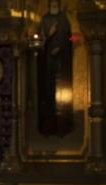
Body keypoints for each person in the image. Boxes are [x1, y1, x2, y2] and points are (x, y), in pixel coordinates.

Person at [37, 0, 73, 137]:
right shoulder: (44, 19)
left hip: (61, 62)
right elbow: (40, 41)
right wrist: (49, 35)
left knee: (62, 91)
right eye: (51, 1)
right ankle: (48, 128)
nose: (54, 3)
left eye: (55, 1)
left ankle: (62, 128)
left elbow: (69, 38)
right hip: (47, 63)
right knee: (48, 91)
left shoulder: (63, 19)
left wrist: (61, 47)